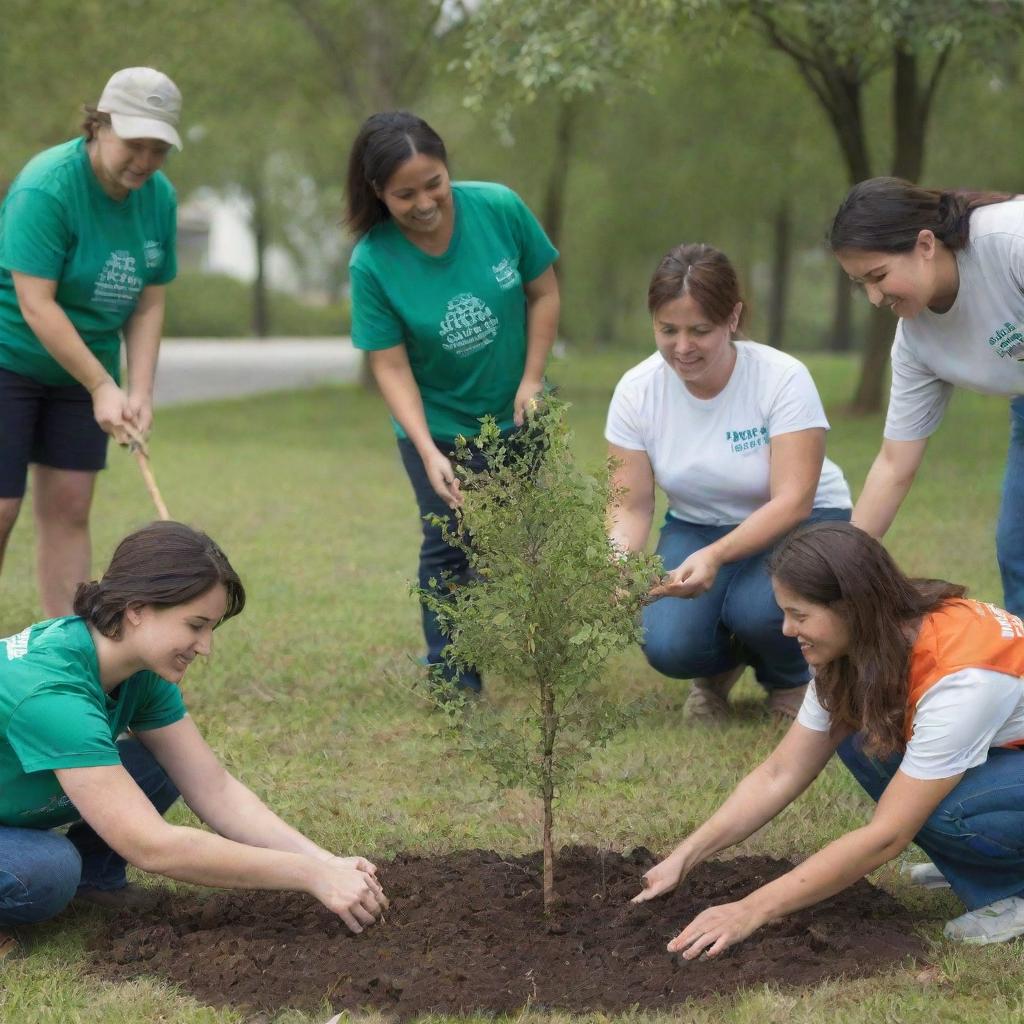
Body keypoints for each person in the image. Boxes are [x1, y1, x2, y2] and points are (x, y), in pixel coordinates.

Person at [0, 521, 387, 959]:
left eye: (212, 628)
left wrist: (325, 861)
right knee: (46, 871)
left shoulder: (136, 668)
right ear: (137, 608)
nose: (206, 647)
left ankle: (96, 880)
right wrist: (306, 874)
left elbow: (213, 787)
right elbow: (151, 845)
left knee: (155, 761)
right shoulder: (52, 692)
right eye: (196, 625)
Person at [634, 521, 1024, 952]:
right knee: (863, 738)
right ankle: (971, 862)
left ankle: (1012, 889)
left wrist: (749, 910)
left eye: (799, 615)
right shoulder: (865, 644)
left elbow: (887, 836)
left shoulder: (962, 680)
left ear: (853, 607)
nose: (786, 629)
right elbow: (781, 772)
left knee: (944, 806)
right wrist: (684, 856)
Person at [345, 111, 560, 692]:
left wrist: (532, 380)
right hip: (436, 423)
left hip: (519, 408)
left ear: (448, 170)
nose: (424, 203)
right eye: (404, 194)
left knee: (525, 536)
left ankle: (549, 656)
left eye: (433, 183)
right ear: (377, 192)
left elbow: (543, 292)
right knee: (448, 544)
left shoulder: (499, 208)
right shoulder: (372, 262)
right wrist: (427, 449)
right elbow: (388, 364)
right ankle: (453, 675)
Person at [606, 243, 851, 720]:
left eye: (700, 330)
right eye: (667, 329)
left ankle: (792, 679)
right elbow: (630, 505)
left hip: (800, 522)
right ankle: (718, 669)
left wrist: (716, 556)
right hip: (698, 523)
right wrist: (616, 566)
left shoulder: (781, 378)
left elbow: (795, 499)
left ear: (733, 317)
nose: (682, 347)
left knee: (761, 610)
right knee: (667, 644)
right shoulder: (636, 391)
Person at [0, 67, 182, 617]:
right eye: (134, 144)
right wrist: (103, 385)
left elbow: (149, 298)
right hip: (10, 356)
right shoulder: (46, 187)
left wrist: (139, 390)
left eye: (159, 148)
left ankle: (64, 651)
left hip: (84, 368)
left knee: (70, 508)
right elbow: (37, 303)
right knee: (3, 507)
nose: (145, 162)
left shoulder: (159, 198)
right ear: (99, 125)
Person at [830, 177, 1024, 614]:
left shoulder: (1012, 240)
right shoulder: (916, 343)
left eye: (878, 276)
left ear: (924, 245)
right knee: (1018, 549)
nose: (874, 297)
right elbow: (895, 464)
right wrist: (846, 564)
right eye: (860, 283)